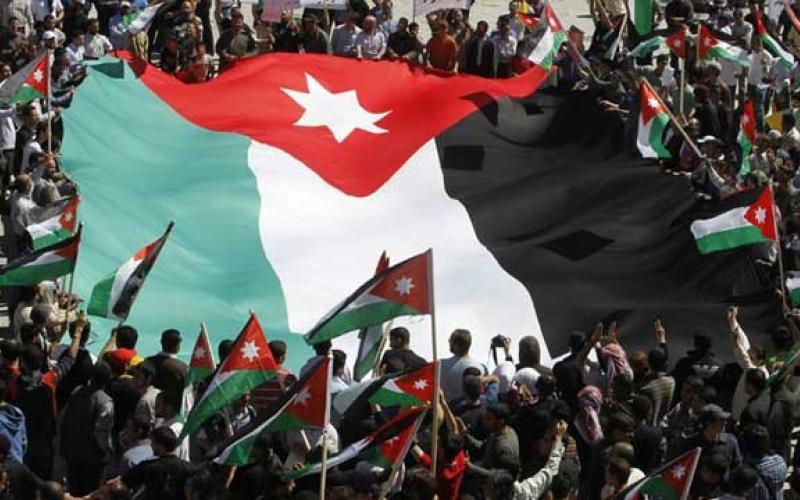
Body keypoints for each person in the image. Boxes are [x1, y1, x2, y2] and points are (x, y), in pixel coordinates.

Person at [59, 361, 113, 496]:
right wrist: (106, 451)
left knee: (73, 488)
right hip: (91, 457)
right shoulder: (106, 402)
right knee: (89, 492)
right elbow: (101, 433)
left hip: (72, 450)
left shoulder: (76, 391)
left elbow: (64, 418)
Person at [111, 425, 193, 500]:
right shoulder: (188, 468)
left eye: (153, 442)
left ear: (160, 445)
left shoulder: (149, 467)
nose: (151, 446)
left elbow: (121, 484)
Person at [440, 329, 487, 401]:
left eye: (451, 340)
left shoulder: (440, 365)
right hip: (470, 406)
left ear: (456, 346)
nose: (448, 341)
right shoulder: (479, 368)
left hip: (446, 406)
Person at [145, 329, 187, 400]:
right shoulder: (183, 368)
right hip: (170, 405)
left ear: (161, 342)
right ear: (178, 344)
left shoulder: (147, 361)